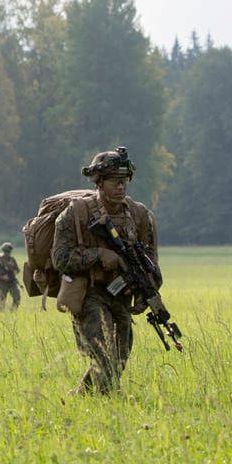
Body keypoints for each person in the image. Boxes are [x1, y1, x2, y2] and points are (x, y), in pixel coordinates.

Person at [52, 147, 160, 395]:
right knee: (103, 352)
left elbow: (150, 260)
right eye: (114, 181)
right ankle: (111, 401)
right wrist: (99, 255)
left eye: (124, 181)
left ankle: (81, 397)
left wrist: (148, 292)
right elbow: (60, 258)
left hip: (121, 295)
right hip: (89, 293)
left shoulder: (139, 215)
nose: (121, 187)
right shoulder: (76, 214)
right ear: (98, 182)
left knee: (120, 355)